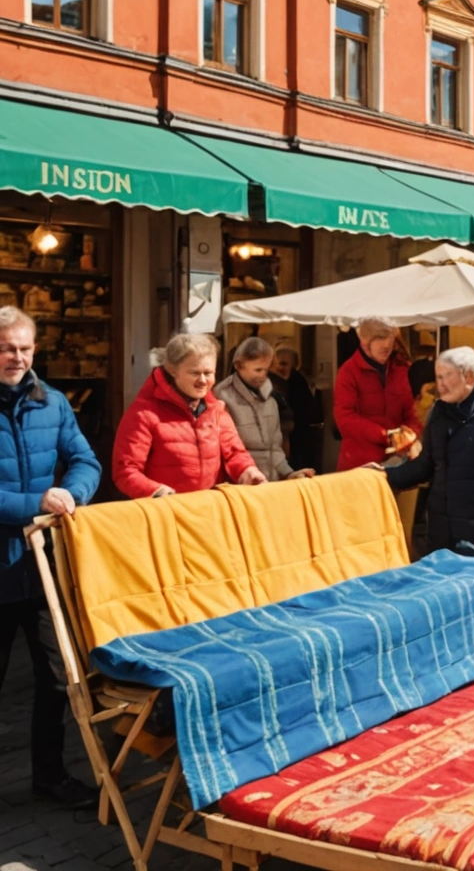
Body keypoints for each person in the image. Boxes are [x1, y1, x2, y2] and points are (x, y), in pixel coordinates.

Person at [0, 307, 101, 807]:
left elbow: (85, 458)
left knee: (57, 679)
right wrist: (33, 504)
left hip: (42, 568)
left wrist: (72, 494)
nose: (16, 357)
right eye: (6, 348)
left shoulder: (53, 402)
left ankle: (50, 776)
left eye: (24, 348)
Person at [381, 347, 474, 554]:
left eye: (446, 376)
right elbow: (424, 465)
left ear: (469, 377)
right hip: (439, 535)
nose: (440, 384)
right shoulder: (438, 414)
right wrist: (385, 475)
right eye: (438, 377)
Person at [113, 334, 264, 498]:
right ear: (172, 370)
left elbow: (235, 454)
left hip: (209, 510)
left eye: (208, 373)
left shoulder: (216, 410)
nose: (203, 380)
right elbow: (125, 470)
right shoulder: (144, 413)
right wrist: (156, 491)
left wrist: (247, 471)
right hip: (165, 514)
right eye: (194, 373)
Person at [217, 336, 309, 482]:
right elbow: (225, 452)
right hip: (240, 487)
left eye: (265, 370)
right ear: (238, 366)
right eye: (257, 370)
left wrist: (288, 473)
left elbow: (275, 449)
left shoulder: (271, 399)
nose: (262, 376)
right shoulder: (221, 398)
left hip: (270, 486)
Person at [333, 318, 420, 472]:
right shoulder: (348, 373)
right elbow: (345, 419)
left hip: (395, 464)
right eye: (379, 338)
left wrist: (411, 435)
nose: (386, 345)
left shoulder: (400, 370)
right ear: (364, 340)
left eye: (390, 338)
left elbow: (411, 414)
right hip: (360, 466)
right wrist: (386, 436)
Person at [270, 345, 322, 471]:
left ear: (293, 365)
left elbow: (308, 409)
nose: (281, 368)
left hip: (298, 437)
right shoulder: (270, 382)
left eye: (285, 364)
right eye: (279, 363)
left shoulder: (299, 382)